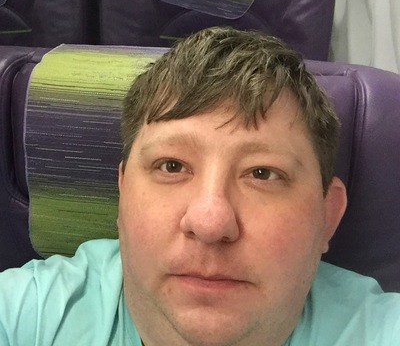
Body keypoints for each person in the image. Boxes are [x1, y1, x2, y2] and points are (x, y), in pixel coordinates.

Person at [0, 27, 399, 346]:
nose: (210, 223)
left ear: (327, 216)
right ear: (122, 196)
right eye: (171, 166)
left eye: (262, 173)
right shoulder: (25, 317)